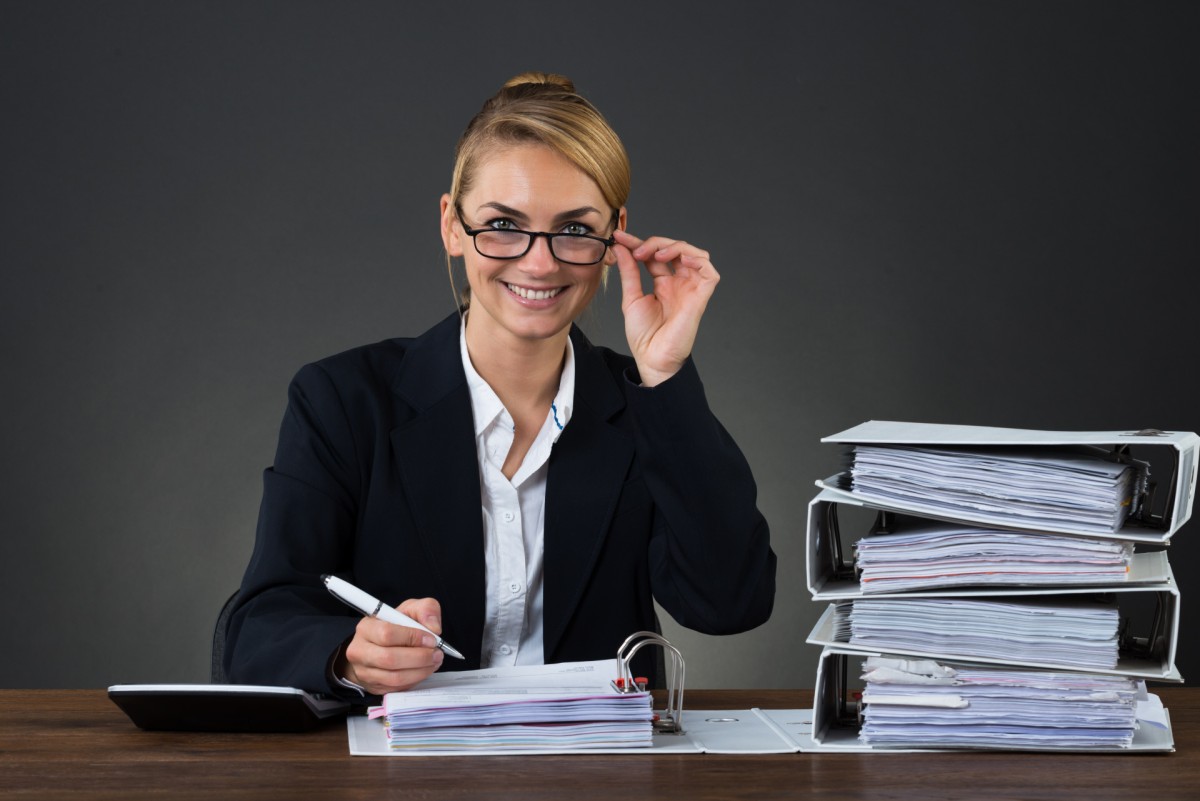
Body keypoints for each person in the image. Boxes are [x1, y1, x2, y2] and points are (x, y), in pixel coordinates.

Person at [224, 72, 776, 698]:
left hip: (595, 781)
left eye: (574, 229)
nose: (539, 262)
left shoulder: (641, 406)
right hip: (405, 784)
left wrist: (666, 376)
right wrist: (347, 656)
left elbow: (730, 603)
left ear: (614, 234)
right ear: (452, 226)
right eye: (503, 224)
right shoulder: (343, 401)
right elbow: (251, 632)